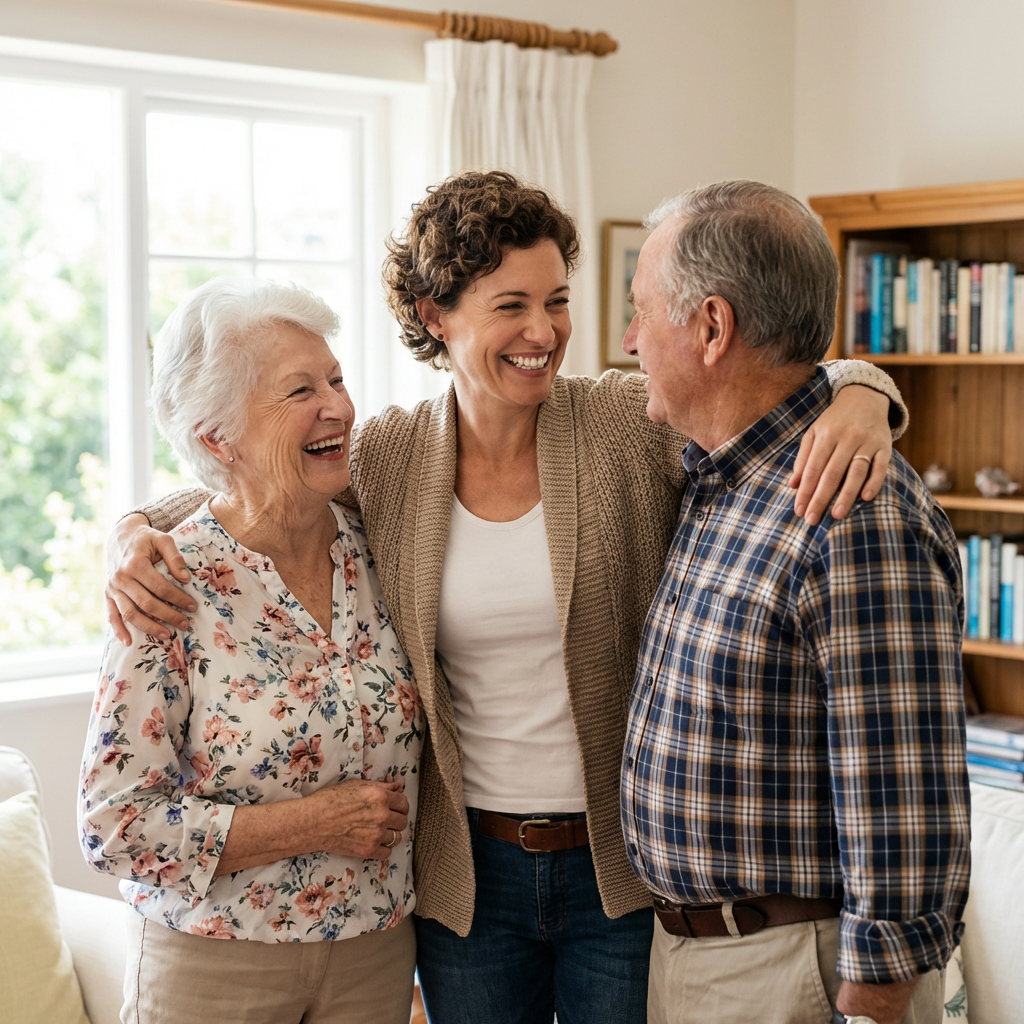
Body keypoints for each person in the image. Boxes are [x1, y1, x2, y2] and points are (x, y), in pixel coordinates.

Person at [104, 172, 909, 1024]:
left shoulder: (626, 421)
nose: (544, 331)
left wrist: (866, 392)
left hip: (621, 879)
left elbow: (762, 394)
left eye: (557, 301)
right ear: (434, 314)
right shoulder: (391, 456)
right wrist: (129, 527)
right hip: (469, 886)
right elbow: (253, 492)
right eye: (511, 305)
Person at [619, 180, 971, 1024]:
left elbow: (903, 792)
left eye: (640, 312)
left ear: (711, 327)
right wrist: (865, 385)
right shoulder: (721, 475)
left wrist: (872, 1001)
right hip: (696, 958)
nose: (629, 340)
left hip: (795, 973)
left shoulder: (850, 514)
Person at [79, 279, 423, 1024]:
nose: (337, 405)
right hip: (213, 961)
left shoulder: (385, 546)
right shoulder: (168, 582)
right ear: (217, 438)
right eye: (299, 390)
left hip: (376, 950)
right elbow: (113, 825)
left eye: (335, 378)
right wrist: (309, 825)